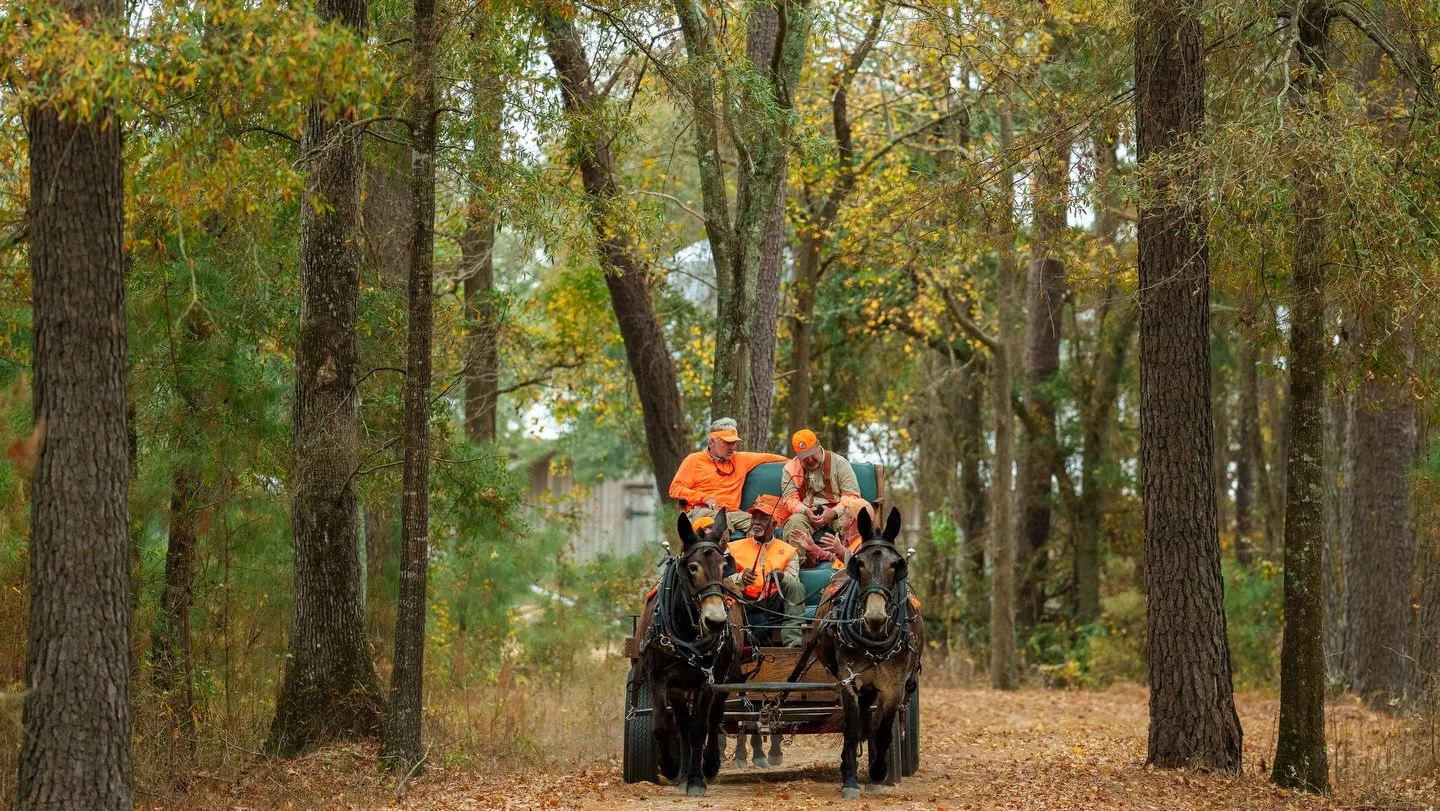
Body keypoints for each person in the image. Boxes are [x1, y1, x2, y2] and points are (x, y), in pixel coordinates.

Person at [669, 417, 787, 533]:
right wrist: (704, 498)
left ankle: (752, 551)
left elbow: (773, 458)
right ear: (712, 441)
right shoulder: (694, 460)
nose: (732, 448)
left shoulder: (741, 459)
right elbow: (675, 489)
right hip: (703, 511)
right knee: (720, 527)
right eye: (727, 443)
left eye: (734, 443)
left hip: (732, 512)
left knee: (760, 529)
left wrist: (798, 462)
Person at [778, 429, 869, 565]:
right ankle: (798, 567)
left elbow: (852, 497)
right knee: (794, 523)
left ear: (818, 444)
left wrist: (833, 513)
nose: (809, 459)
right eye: (804, 457)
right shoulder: (790, 469)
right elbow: (790, 499)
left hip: (838, 512)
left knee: (852, 521)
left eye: (811, 454)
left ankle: (854, 566)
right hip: (808, 513)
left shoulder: (839, 463)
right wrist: (806, 512)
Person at [726, 495, 805, 647]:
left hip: (774, 600)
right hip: (745, 601)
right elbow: (723, 579)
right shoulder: (734, 547)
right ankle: (730, 641)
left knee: (795, 587)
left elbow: (793, 578)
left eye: (763, 519)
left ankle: (793, 643)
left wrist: (782, 577)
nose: (756, 523)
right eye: (754, 518)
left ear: (774, 524)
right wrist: (740, 578)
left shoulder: (788, 550)